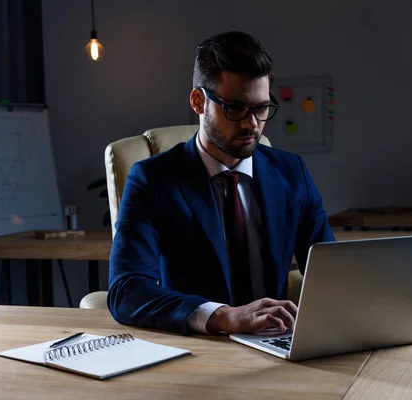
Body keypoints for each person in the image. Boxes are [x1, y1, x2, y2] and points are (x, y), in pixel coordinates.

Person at [108, 31, 335, 335]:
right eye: (235, 108)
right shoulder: (153, 180)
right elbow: (127, 291)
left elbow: (330, 272)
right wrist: (222, 316)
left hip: (277, 343)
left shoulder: (291, 171)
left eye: (261, 108)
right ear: (199, 101)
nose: (251, 123)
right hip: (200, 349)